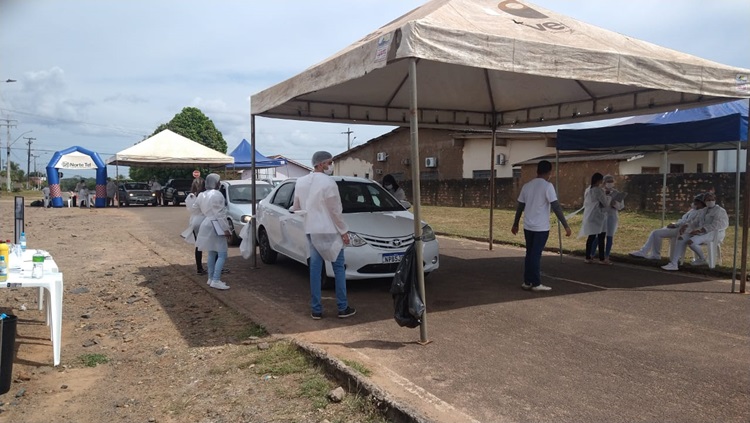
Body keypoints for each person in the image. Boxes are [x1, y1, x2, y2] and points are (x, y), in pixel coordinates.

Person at [290, 150, 356, 319]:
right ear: (320, 164)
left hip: (312, 229)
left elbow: (296, 207)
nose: (331, 165)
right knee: (338, 268)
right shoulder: (329, 183)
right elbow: (335, 210)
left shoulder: (301, 182)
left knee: (315, 269)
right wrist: (344, 231)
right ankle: (342, 307)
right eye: (329, 162)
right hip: (330, 230)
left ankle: (316, 309)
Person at [511, 160, 572, 292]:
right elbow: (556, 206)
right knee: (536, 255)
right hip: (541, 228)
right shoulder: (547, 186)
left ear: (537, 170)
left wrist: (515, 223)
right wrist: (565, 225)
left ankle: (527, 281)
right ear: (549, 172)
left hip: (528, 226)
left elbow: (520, 207)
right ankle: (536, 282)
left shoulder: (527, 186)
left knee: (529, 253)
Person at [662, 191, 729, 271]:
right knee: (681, 238)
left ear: (715, 199)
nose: (710, 201)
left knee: (691, 241)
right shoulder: (703, 211)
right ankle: (674, 264)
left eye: (712, 199)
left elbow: (718, 225)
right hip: (701, 233)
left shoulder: (720, 211)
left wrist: (701, 230)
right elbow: (695, 222)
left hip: (714, 233)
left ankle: (702, 259)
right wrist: (686, 226)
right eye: (708, 200)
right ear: (704, 201)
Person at [629, 194, 706, 260]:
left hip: (684, 231)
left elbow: (689, 222)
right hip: (679, 227)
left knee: (656, 233)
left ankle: (652, 254)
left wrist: (676, 225)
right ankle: (649, 253)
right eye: (695, 201)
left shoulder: (700, 212)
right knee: (656, 232)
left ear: (702, 203)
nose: (695, 203)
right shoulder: (693, 210)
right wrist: (674, 224)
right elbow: (683, 219)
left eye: (697, 202)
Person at [194, 173, 231, 289]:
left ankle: (210, 278)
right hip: (216, 224)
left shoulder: (201, 195)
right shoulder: (217, 194)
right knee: (222, 253)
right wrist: (226, 229)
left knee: (212, 251)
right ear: (216, 183)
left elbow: (195, 208)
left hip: (207, 222)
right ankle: (216, 279)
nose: (220, 183)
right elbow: (220, 214)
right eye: (218, 181)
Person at [579, 173, 609, 264]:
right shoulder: (599, 191)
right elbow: (605, 203)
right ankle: (602, 258)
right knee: (601, 237)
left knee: (591, 236)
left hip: (589, 215)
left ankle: (588, 257)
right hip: (598, 216)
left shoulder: (588, 189)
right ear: (599, 180)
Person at [598, 174, 625, 264]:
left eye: (611, 181)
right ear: (604, 183)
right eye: (608, 181)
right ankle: (592, 254)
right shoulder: (600, 191)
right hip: (602, 216)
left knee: (609, 236)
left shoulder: (617, 193)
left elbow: (621, 206)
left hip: (612, 216)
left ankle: (606, 256)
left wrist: (615, 204)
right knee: (599, 236)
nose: (610, 183)